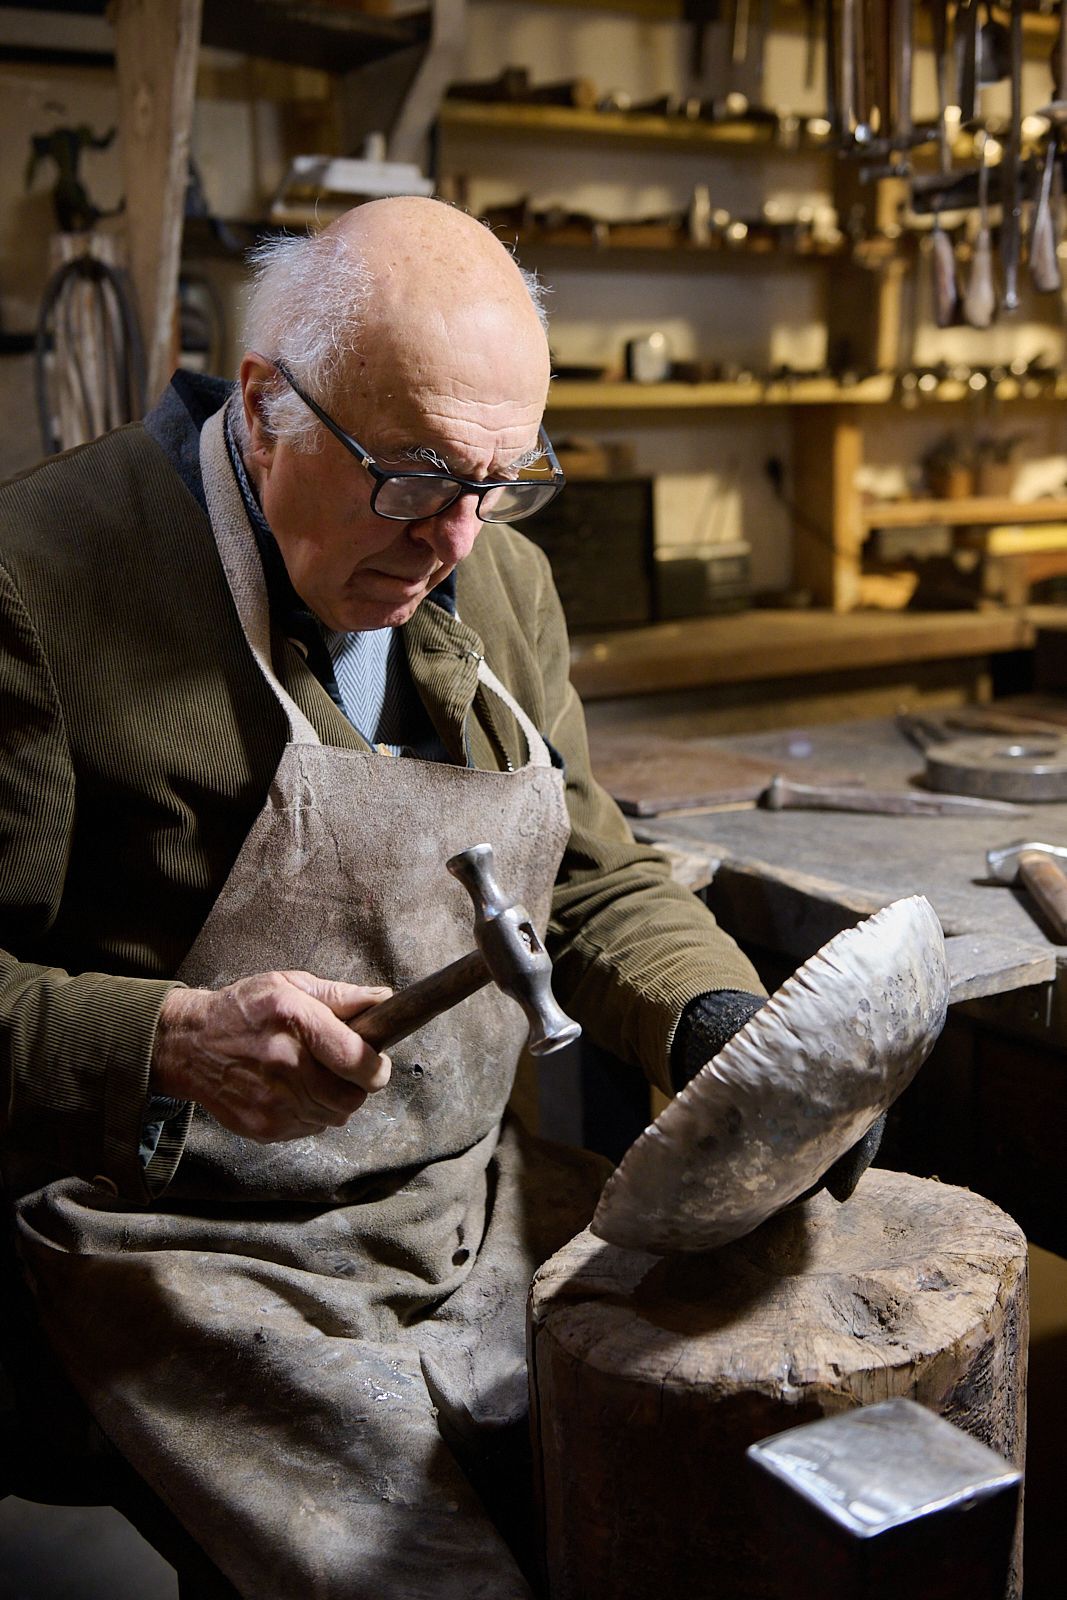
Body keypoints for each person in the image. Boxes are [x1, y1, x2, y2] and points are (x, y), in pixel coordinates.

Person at [1, 196, 779, 1598]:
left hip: (449, 1199)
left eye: (501, 480)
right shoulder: (40, 587)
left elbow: (586, 875)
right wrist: (167, 1039)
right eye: (413, 476)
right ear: (264, 408)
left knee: (680, 1474)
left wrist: (719, 1023)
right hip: (172, 1236)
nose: (456, 538)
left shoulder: (500, 582)